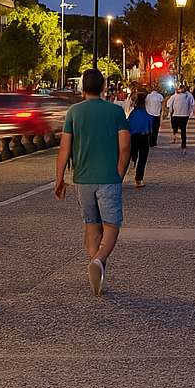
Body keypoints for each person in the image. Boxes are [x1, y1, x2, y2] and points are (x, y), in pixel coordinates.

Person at [54, 68, 131, 296]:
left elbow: (64, 148)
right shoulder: (116, 112)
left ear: (82, 88)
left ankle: (96, 266)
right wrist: (119, 172)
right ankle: (99, 261)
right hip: (109, 177)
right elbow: (125, 147)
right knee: (112, 224)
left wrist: (59, 179)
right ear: (104, 87)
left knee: (91, 223)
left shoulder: (73, 113)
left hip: (83, 178)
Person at [126, 92, 153, 187]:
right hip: (143, 136)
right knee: (143, 157)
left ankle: (121, 175)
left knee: (128, 156)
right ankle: (139, 179)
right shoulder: (146, 114)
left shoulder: (133, 114)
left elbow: (128, 125)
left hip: (132, 136)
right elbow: (150, 128)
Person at [167, 84, 195, 149]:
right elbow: (192, 104)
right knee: (183, 130)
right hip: (185, 115)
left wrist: (171, 111)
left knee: (174, 126)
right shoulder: (189, 95)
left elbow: (169, 104)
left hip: (176, 115)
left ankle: (175, 133)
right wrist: (190, 113)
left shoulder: (175, 96)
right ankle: (183, 143)